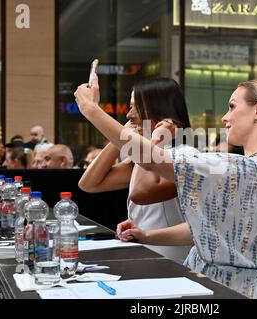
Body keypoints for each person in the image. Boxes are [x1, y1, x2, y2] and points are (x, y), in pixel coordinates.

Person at [75, 77, 257, 299]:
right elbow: (205, 229)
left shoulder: (245, 169)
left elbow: (150, 161)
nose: (225, 117)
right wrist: (147, 235)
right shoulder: (252, 170)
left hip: (227, 289)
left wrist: (90, 109)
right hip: (211, 282)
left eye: (232, 106)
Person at [78, 77, 192, 263]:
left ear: (161, 111)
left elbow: (141, 193)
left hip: (172, 259)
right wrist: (120, 138)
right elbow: (89, 184)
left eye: (136, 107)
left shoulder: (184, 155)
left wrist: (152, 141)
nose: (129, 115)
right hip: (142, 254)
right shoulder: (139, 162)